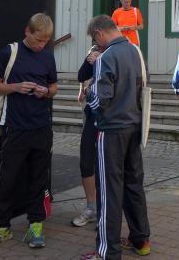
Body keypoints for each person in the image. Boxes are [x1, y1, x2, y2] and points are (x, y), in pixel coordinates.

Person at [0, 13, 58, 250]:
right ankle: (1, 227)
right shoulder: (9, 53)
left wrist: (46, 92)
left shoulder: (48, 57)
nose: (42, 45)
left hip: (42, 127)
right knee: (8, 179)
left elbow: (54, 87)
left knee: (39, 179)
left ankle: (36, 225)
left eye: (46, 41)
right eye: (38, 40)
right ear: (27, 31)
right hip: (15, 127)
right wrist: (15, 87)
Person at [82, 15, 151, 260]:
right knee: (134, 185)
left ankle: (107, 251)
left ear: (99, 33)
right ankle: (140, 240)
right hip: (134, 127)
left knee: (109, 191)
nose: (96, 44)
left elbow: (101, 100)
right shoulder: (136, 51)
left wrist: (88, 92)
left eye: (95, 40)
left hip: (111, 130)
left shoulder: (106, 57)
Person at [71, 41, 103, 228]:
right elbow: (81, 76)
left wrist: (104, 59)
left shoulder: (124, 51)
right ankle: (91, 207)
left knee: (108, 165)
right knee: (86, 161)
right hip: (92, 113)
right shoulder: (94, 51)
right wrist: (92, 59)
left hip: (113, 117)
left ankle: (106, 212)